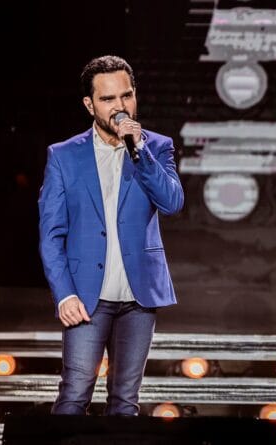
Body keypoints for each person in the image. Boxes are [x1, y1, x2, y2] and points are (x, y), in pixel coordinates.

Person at [38, 55, 184, 415]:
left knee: (125, 402)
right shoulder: (63, 156)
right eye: (108, 99)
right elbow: (51, 234)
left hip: (138, 296)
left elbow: (172, 203)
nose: (120, 107)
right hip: (87, 298)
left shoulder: (157, 146)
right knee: (74, 395)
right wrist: (64, 294)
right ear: (89, 105)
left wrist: (142, 151)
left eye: (127, 96)